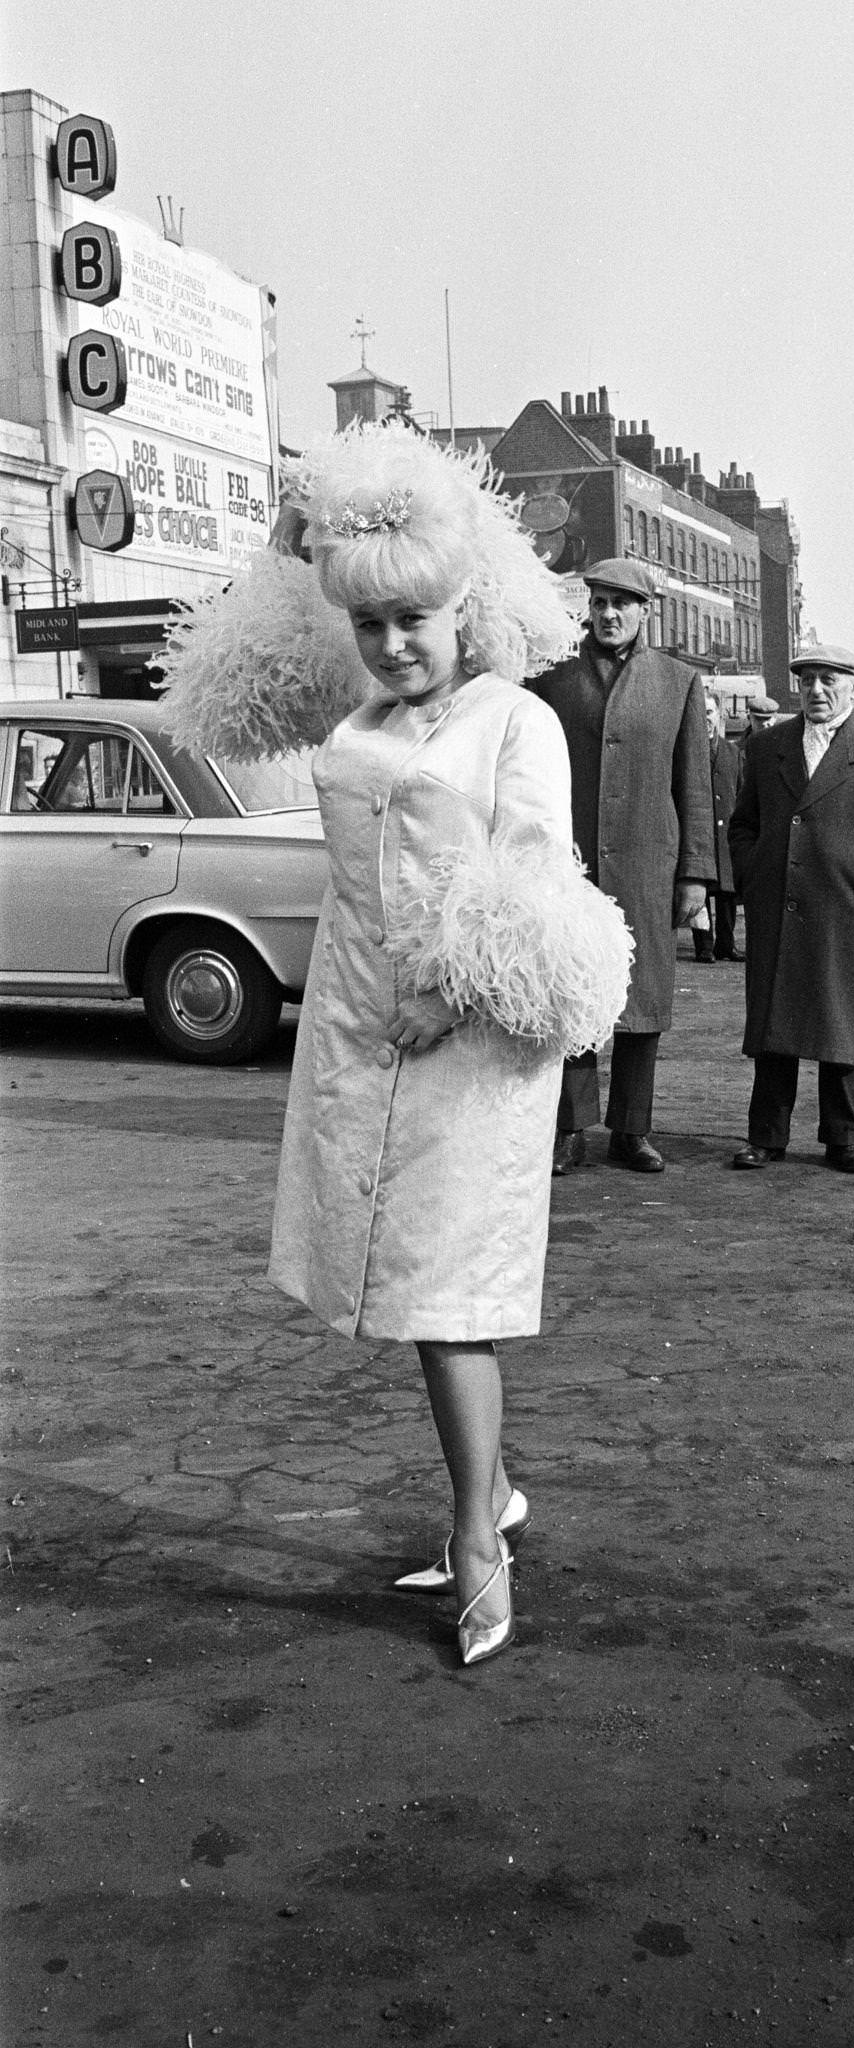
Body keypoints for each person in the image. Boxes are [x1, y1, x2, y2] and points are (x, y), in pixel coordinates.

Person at [159, 425, 632, 1668]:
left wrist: (463, 996)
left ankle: (481, 1537)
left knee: (451, 1299)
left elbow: (542, 887)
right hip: (361, 1031)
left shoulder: (514, 721)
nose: (390, 644)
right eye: (368, 624)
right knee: (413, 1295)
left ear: (465, 601)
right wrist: (287, 546)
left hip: (471, 1042)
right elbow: (221, 708)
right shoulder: (360, 709)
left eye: (413, 617)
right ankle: (495, 1495)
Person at [529, 558, 715, 1176]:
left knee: (641, 1003)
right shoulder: (551, 678)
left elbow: (694, 786)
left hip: (647, 867)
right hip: (570, 865)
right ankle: (571, 1128)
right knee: (569, 993)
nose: (609, 615)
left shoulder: (678, 682)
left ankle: (631, 1130)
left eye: (623, 604)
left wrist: (693, 874)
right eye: (601, 602)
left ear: (645, 610)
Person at [728, 643, 854, 1173]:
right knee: (774, 1024)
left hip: (841, 909)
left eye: (829, 680)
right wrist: (755, 872)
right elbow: (743, 822)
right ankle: (766, 1135)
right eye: (808, 680)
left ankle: (842, 1137)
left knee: (837, 1023)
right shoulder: (769, 746)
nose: (816, 690)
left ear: (853, 687)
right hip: (777, 906)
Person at [694, 693, 743, 963]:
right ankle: (704, 946)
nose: (705, 719)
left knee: (726, 894)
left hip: (725, 837)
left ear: (719, 715)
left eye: (710, 712)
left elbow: (742, 792)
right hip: (699, 834)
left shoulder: (732, 752)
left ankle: (727, 944)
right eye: (701, 713)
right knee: (699, 894)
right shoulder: (687, 751)